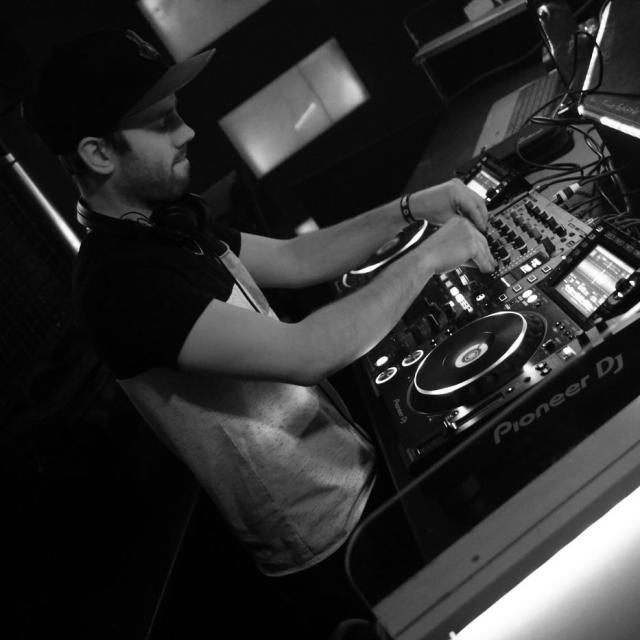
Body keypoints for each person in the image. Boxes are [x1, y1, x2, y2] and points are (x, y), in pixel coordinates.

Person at [23, 28, 496, 639]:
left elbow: (296, 259)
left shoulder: (167, 224)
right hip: (330, 543)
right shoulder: (120, 282)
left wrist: (411, 209)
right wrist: (428, 258)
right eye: (163, 123)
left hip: (356, 478)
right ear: (97, 153)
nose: (187, 131)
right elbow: (307, 353)